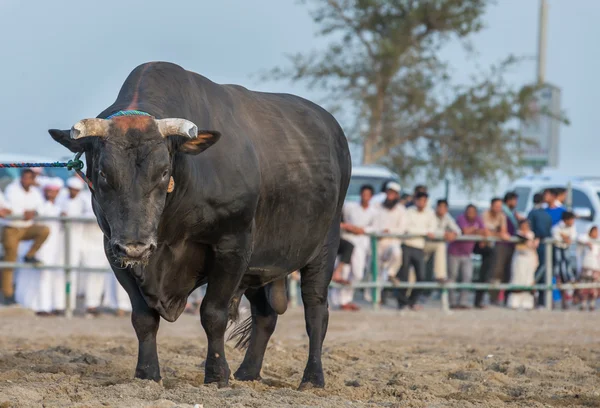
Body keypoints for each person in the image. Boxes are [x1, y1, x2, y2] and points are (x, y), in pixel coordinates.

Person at [15, 178, 65, 315]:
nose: (50, 194)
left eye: (53, 191)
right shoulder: (40, 205)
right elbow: (35, 213)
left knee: (52, 275)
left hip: (55, 246)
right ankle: (42, 307)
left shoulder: (59, 207)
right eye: (48, 191)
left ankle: (52, 305)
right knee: (40, 274)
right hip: (40, 247)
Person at [1, 169, 50, 305]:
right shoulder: (12, 188)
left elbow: (41, 206)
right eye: (24, 178)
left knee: (44, 230)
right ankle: (7, 294)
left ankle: (30, 255)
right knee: (9, 261)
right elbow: (9, 207)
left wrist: (33, 212)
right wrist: (24, 212)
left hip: (26, 228)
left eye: (29, 178)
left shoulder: (35, 192)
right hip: (12, 228)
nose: (26, 180)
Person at [335, 184, 377, 311]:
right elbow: (340, 219)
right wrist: (348, 227)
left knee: (357, 274)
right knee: (344, 272)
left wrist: (361, 229)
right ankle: (340, 301)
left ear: (371, 197)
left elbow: (374, 228)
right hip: (348, 241)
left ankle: (347, 298)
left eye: (367, 195)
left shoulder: (373, 211)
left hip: (362, 243)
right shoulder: (349, 207)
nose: (365, 197)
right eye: (363, 194)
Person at [396, 191, 436, 310]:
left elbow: (432, 230)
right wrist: (423, 232)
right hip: (407, 245)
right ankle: (402, 303)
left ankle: (412, 301)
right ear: (415, 200)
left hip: (419, 247)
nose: (422, 203)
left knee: (421, 277)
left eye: (424, 200)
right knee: (404, 276)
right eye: (420, 200)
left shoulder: (430, 213)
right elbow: (406, 229)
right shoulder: (408, 212)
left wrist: (418, 232)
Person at [370, 182, 405, 298]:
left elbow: (402, 229)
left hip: (392, 241)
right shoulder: (377, 206)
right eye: (389, 192)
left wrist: (389, 231)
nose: (390, 195)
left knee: (397, 253)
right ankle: (375, 299)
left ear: (397, 195)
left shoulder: (401, 210)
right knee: (375, 271)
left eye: (393, 193)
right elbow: (372, 224)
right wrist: (380, 231)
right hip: (377, 242)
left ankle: (390, 274)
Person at [448, 205, 486, 309]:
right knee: (452, 277)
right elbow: (465, 231)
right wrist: (475, 229)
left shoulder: (478, 219)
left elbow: (484, 232)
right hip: (454, 252)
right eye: (468, 211)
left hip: (467, 253)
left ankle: (463, 302)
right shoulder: (461, 218)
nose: (470, 213)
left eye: (473, 212)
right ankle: (452, 302)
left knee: (467, 277)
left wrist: (476, 232)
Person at [474, 198, 510, 309]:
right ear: (491, 205)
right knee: (483, 273)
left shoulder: (502, 216)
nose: (498, 208)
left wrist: (493, 234)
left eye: (500, 206)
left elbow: (504, 232)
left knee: (487, 273)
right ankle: (478, 299)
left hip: (490, 247)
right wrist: (497, 234)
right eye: (496, 206)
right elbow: (484, 231)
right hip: (480, 245)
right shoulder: (484, 214)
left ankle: (480, 300)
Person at [60, 176, 88, 307]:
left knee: (74, 272)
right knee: (62, 272)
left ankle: (71, 304)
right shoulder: (62, 199)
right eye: (71, 189)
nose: (73, 192)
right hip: (61, 241)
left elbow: (90, 214)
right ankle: (63, 305)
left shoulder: (84, 200)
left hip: (79, 239)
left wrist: (72, 218)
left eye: (76, 190)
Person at [425, 199, 461, 284]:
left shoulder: (447, 217)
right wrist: (444, 234)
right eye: (439, 207)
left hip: (435, 245)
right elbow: (430, 231)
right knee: (414, 271)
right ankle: (406, 293)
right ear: (436, 207)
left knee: (441, 245)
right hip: (424, 244)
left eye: (444, 207)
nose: (441, 209)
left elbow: (458, 230)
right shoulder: (430, 215)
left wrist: (454, 234)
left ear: (446, 209)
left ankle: (440, 277)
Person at [527, 193, 553, 307]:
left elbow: (530, 228)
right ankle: (543, 300)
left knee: (533, 272)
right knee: (544, 271)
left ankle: (532, 298)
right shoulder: (547, 214)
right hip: (545, 247)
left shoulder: (533, 213)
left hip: (535, 246)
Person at [507, 220, 539, 310]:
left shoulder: (532, 235)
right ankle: (514, 302)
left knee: (528, 280)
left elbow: (533, 247)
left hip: (530, 259)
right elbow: (519, 245)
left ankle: (527, 303)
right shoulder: (517, 234)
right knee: (517, 279)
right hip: (519, 259)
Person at [496, 191, 520, 304]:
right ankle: (494, 297)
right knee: (498, 271)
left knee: (508, 272)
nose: (516, 203)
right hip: (502, 245)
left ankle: (506, 298)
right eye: (514, 200)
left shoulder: (513, 213)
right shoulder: (502, 212)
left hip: (511, 245)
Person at [551, 211, 577, 309]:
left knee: (568, 275)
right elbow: (556, 236)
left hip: (566, 256)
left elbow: (573, 237)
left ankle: (568, 300)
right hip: (559, 254)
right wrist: (565, 238)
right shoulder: (557, 227)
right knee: (558, 274)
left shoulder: (571, 228)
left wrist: (564, 237)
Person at [576, 225, 600, 311]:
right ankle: (583, 304)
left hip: (596, 268)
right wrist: (587, 242)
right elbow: (579, 238)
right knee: (584, 287)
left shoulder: (597, 243)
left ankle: (592, 304)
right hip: (586, 267)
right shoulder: (584, 240)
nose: (596, 233)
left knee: (594, 287)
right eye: (594, 231)